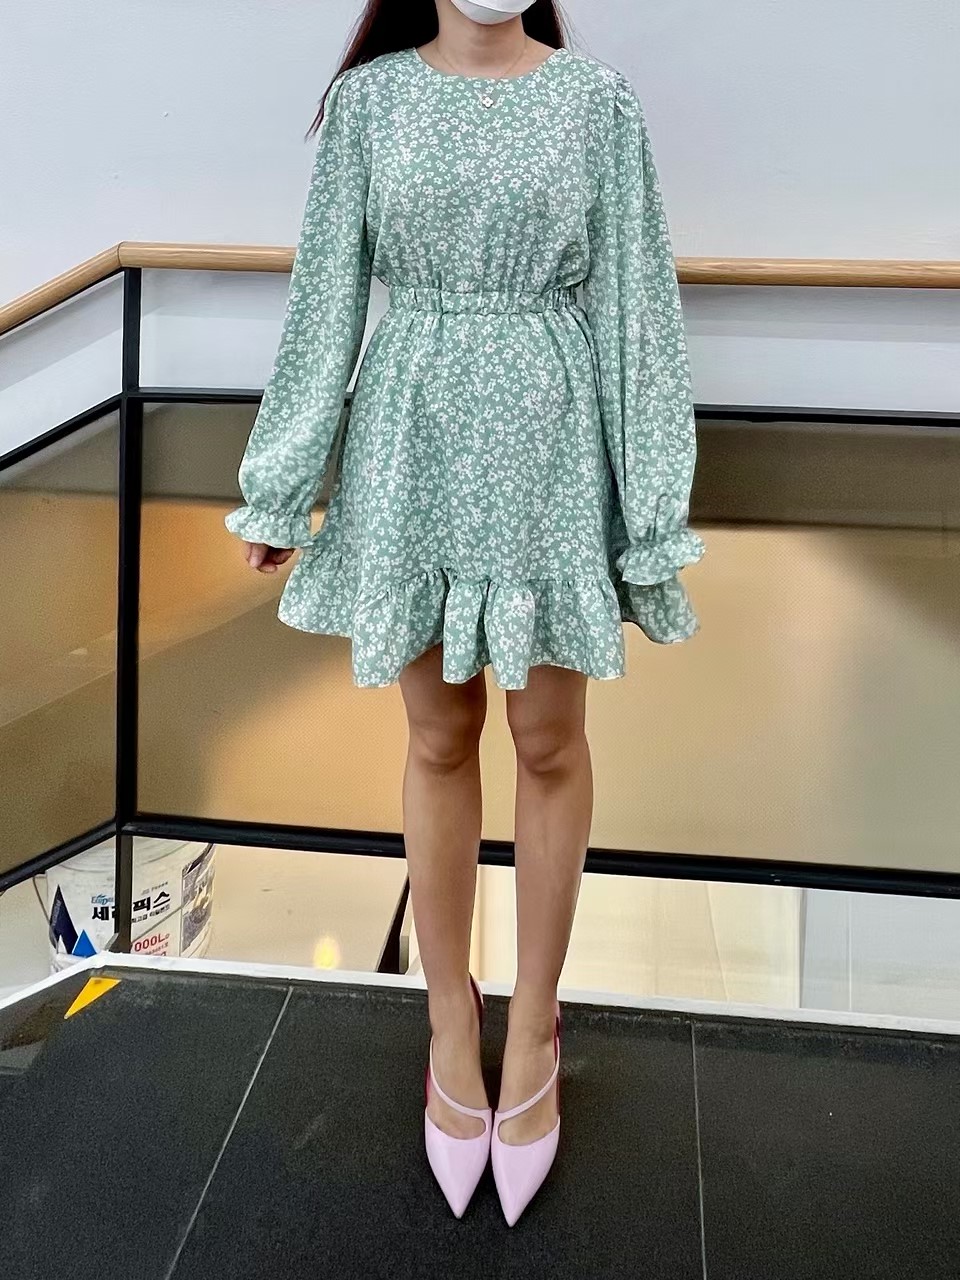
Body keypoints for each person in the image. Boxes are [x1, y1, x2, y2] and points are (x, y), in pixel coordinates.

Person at [224, 0, 704, 1226]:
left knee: (547, 739)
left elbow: (638, 310)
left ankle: (533, 1023)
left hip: (549, 441)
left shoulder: (596, 104)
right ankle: (451, 1019)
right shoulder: (372, 103)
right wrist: (284, 475)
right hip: (413, 438)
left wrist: (651, 509)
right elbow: (326, 294)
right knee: (438, 735)